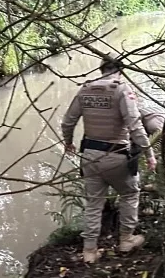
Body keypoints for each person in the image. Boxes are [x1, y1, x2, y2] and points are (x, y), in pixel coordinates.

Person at [61, 55, 156, 264]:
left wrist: (68, 143)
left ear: (101, 69)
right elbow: (135, 125)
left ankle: (89, 251)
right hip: (117, 155)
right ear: (120, 70)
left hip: (90, 156)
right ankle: (126, 240)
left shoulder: (84, 89)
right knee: (130, 194)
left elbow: (67, 122)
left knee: (94, 203)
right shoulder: (122, 90)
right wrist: (149, 153)